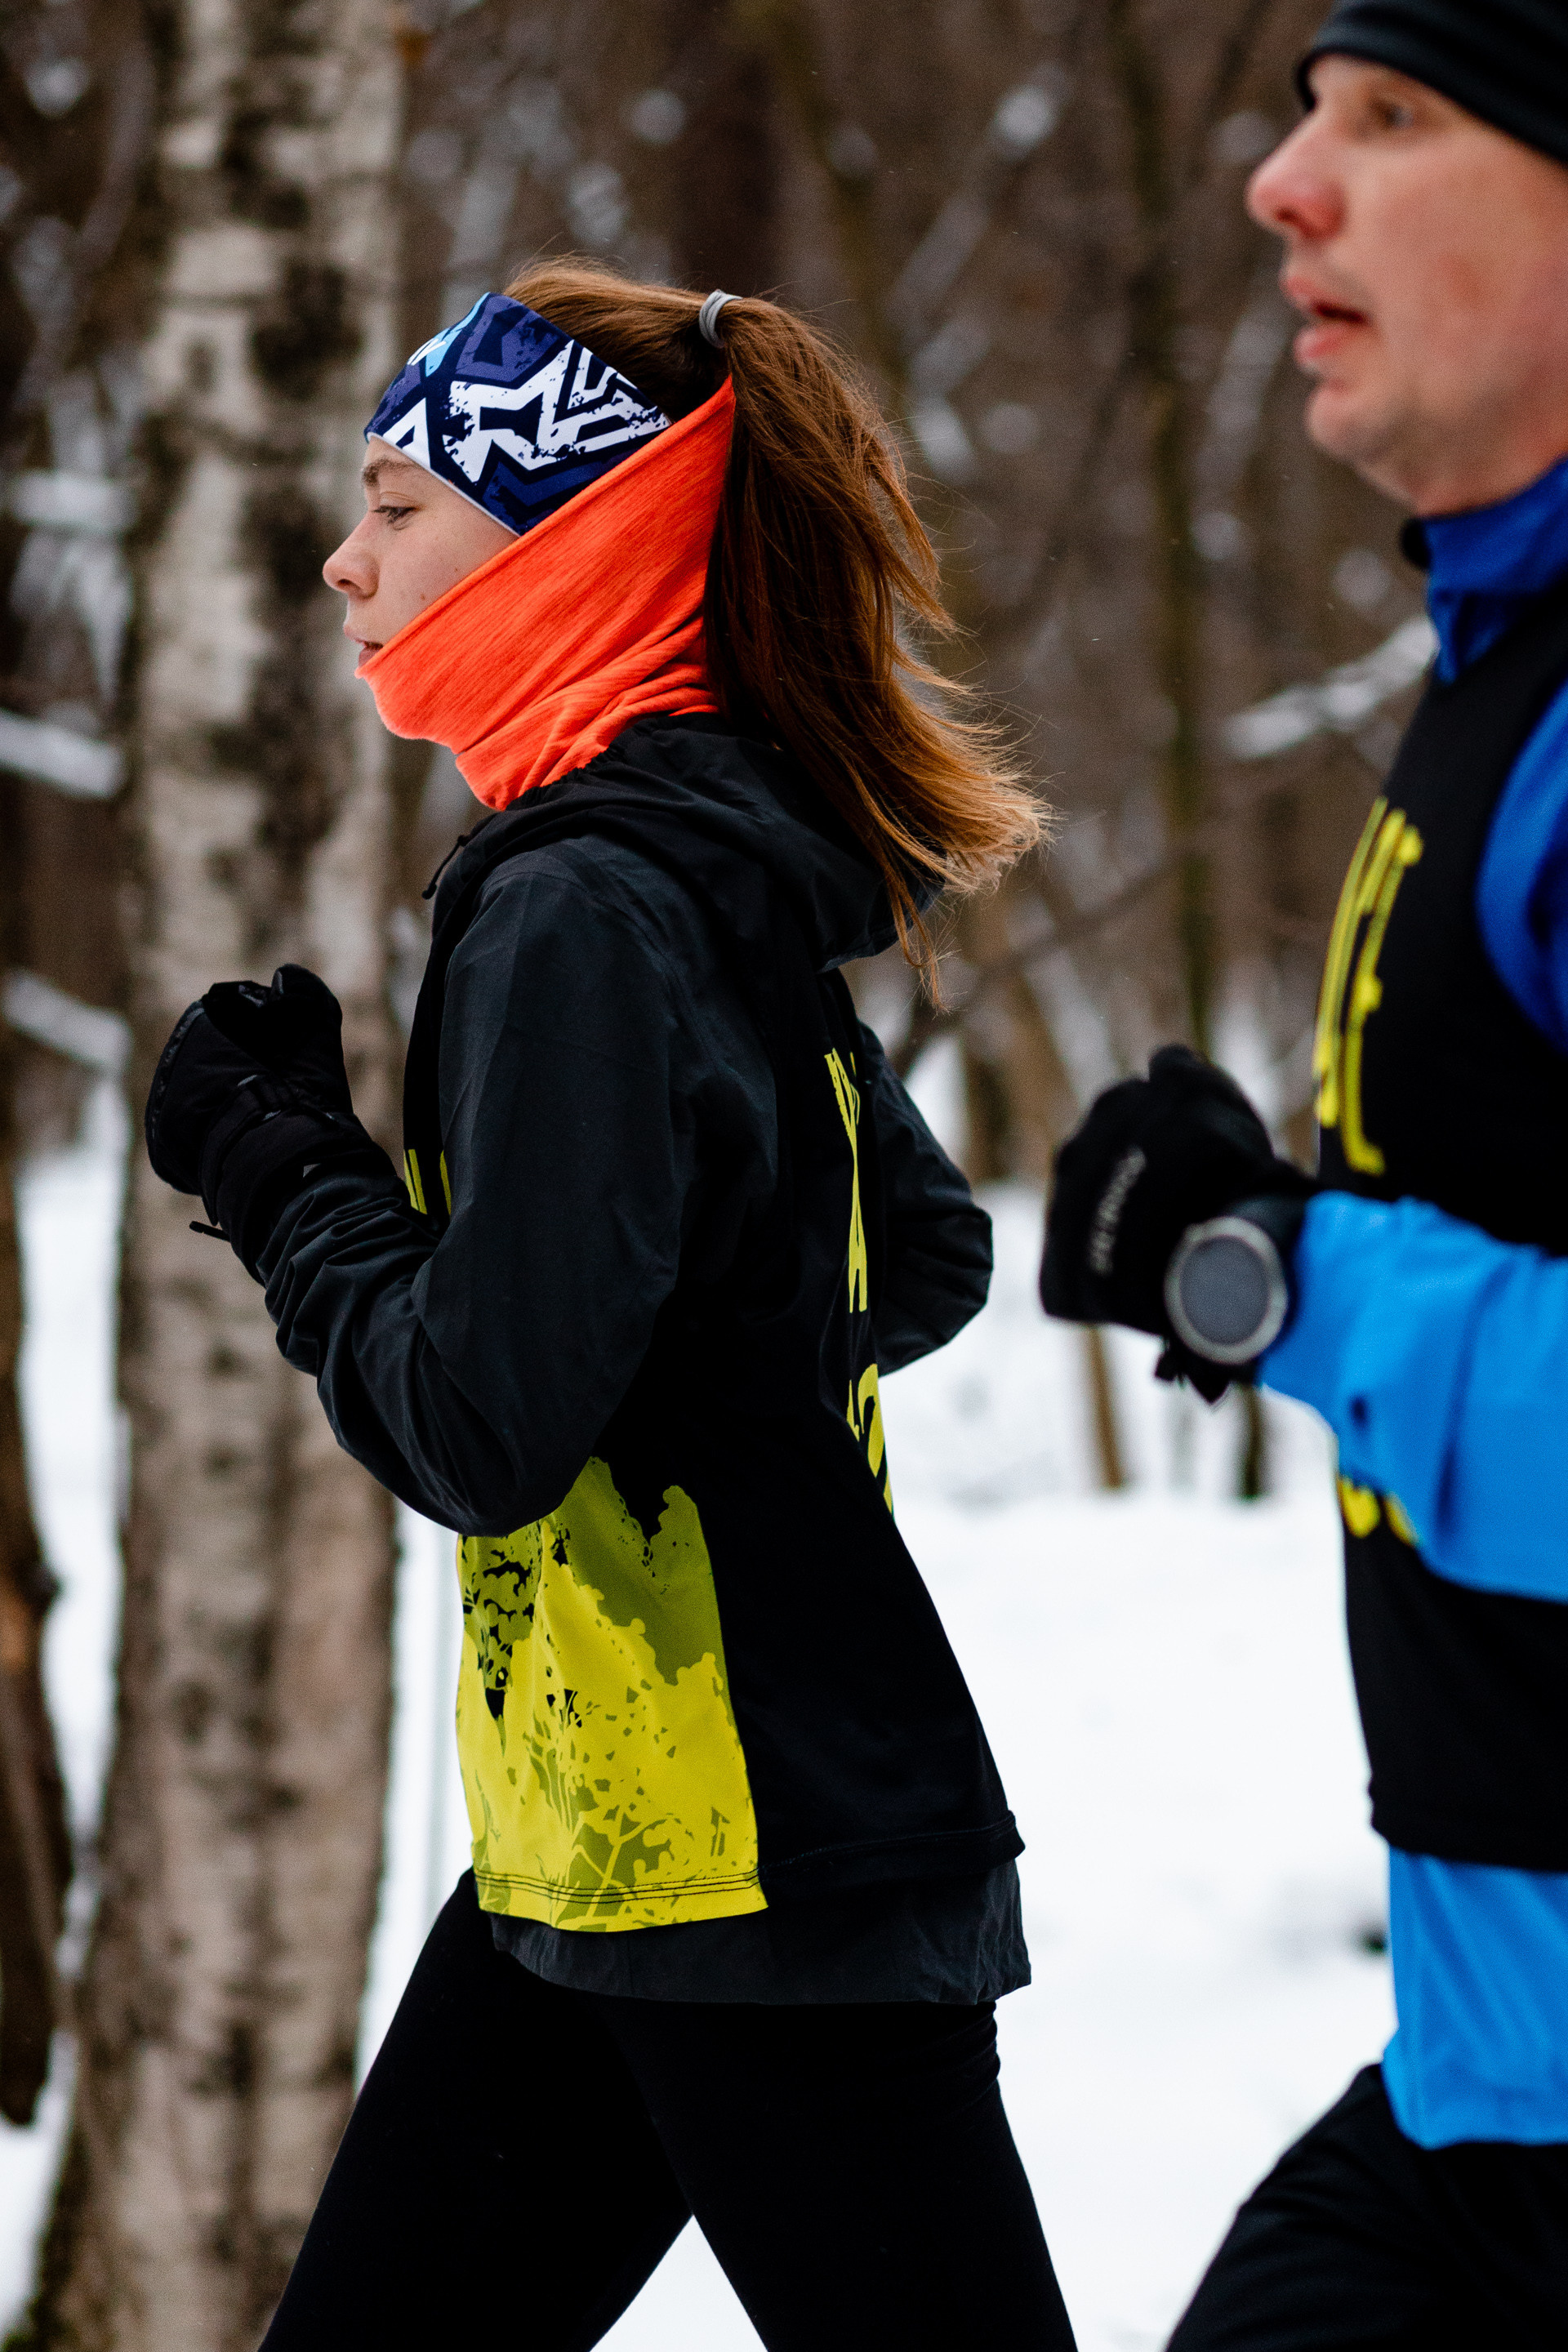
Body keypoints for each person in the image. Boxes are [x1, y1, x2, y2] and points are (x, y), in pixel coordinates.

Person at [143, 265, 1077, 2349]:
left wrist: (283, 1170)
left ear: (574, 531)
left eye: (395, 502)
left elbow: (479, 1422)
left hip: (755, 1873)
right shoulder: (705, 865)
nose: (342, 552)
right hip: (625, 1855)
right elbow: (904, 1257)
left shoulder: (583, 897)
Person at [1040, 4, 1568, 2345]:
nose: (1283, 183)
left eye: (1392, 116)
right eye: (1297, 115)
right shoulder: (1505, 671)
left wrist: (1286, 1275)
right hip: (1500, 2092)